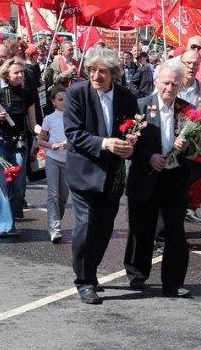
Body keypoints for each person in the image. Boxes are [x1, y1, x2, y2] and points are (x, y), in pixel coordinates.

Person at [63, 46, 139, 305]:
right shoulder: (76, 93)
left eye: (102, 72)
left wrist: (130, 146)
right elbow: (73, 133)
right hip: (83, 172)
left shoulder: (126, 97)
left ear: (114, 74)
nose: (96, 76)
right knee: (85, 226)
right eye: (92, 70)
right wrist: (106, 143)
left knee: (104, 228)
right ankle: (83, 281)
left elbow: (135, 129)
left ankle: (91, 273)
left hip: (113, 175)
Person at [124, 60, 194, 297]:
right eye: (165, 83)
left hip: (173, 178)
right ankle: (137, 273)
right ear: (156, 83)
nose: (169, 88)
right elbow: (130, 141)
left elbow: (199, 147)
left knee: (175, 231)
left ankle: (173, 283)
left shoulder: (187, 110)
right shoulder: (141, 106)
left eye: (175, 84)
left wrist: (186, 146)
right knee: (141, 227)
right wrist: (149, 157)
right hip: (145, 175)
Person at [0, 57, 42, 237]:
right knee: (2, 182)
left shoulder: (28, 95)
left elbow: (33, 124)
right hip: (1, 142)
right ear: (7, 75)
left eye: (22, 72)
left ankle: (14, 211)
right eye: (16, 72)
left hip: (20, 143)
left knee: (18, 182)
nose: (20, 75)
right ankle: (3, 225)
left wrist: (43, 133)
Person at [178, 48, 201, 223]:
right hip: (172, 145)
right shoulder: (171, 84)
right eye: (188, 63)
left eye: (195, 64)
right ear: (181, 64)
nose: (191, 67)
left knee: (186, 189)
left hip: (193, 147)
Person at [38, 88, 69, 243]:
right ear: (53, 101)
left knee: (63, 197)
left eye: (66, 99)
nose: (63, 102)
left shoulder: (74, 117)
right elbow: (40, 140)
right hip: (53, 159)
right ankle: (55, 228)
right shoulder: (49, 118)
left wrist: (71, 144)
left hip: (68, 161)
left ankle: (55, 220)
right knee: (53, 195)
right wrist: (52, 146)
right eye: (60, 99)